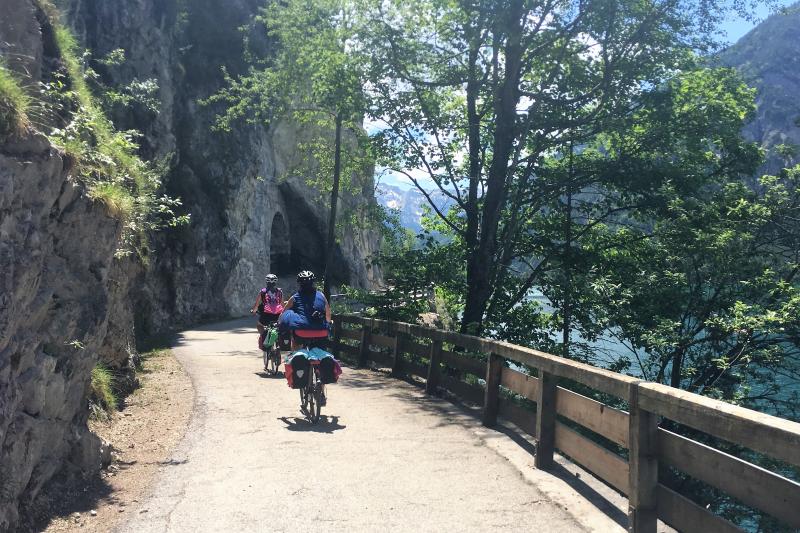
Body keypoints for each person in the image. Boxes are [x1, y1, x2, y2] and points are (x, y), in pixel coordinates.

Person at [278, 270, 331, 350]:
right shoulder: (322, 296)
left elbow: (283, 314)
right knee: (320, 348)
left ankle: (296, 353)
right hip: (321, 332)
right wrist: (328, 323)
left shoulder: (295, 297)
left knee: (289, 313)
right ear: (313, 283)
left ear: (299, 284)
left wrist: (279, 324)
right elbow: (328, 315)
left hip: (301, 332)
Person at [250, 274, 284, 351]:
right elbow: (282, 305)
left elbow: (257, 304)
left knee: (259, 325)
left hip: (266, 315)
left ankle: (264, 336)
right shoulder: (280, 291)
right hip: (278, 315)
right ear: (275, 282)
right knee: (278, 327)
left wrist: (254, 311)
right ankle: (277, 340)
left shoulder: (263, 291)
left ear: (266, 282)